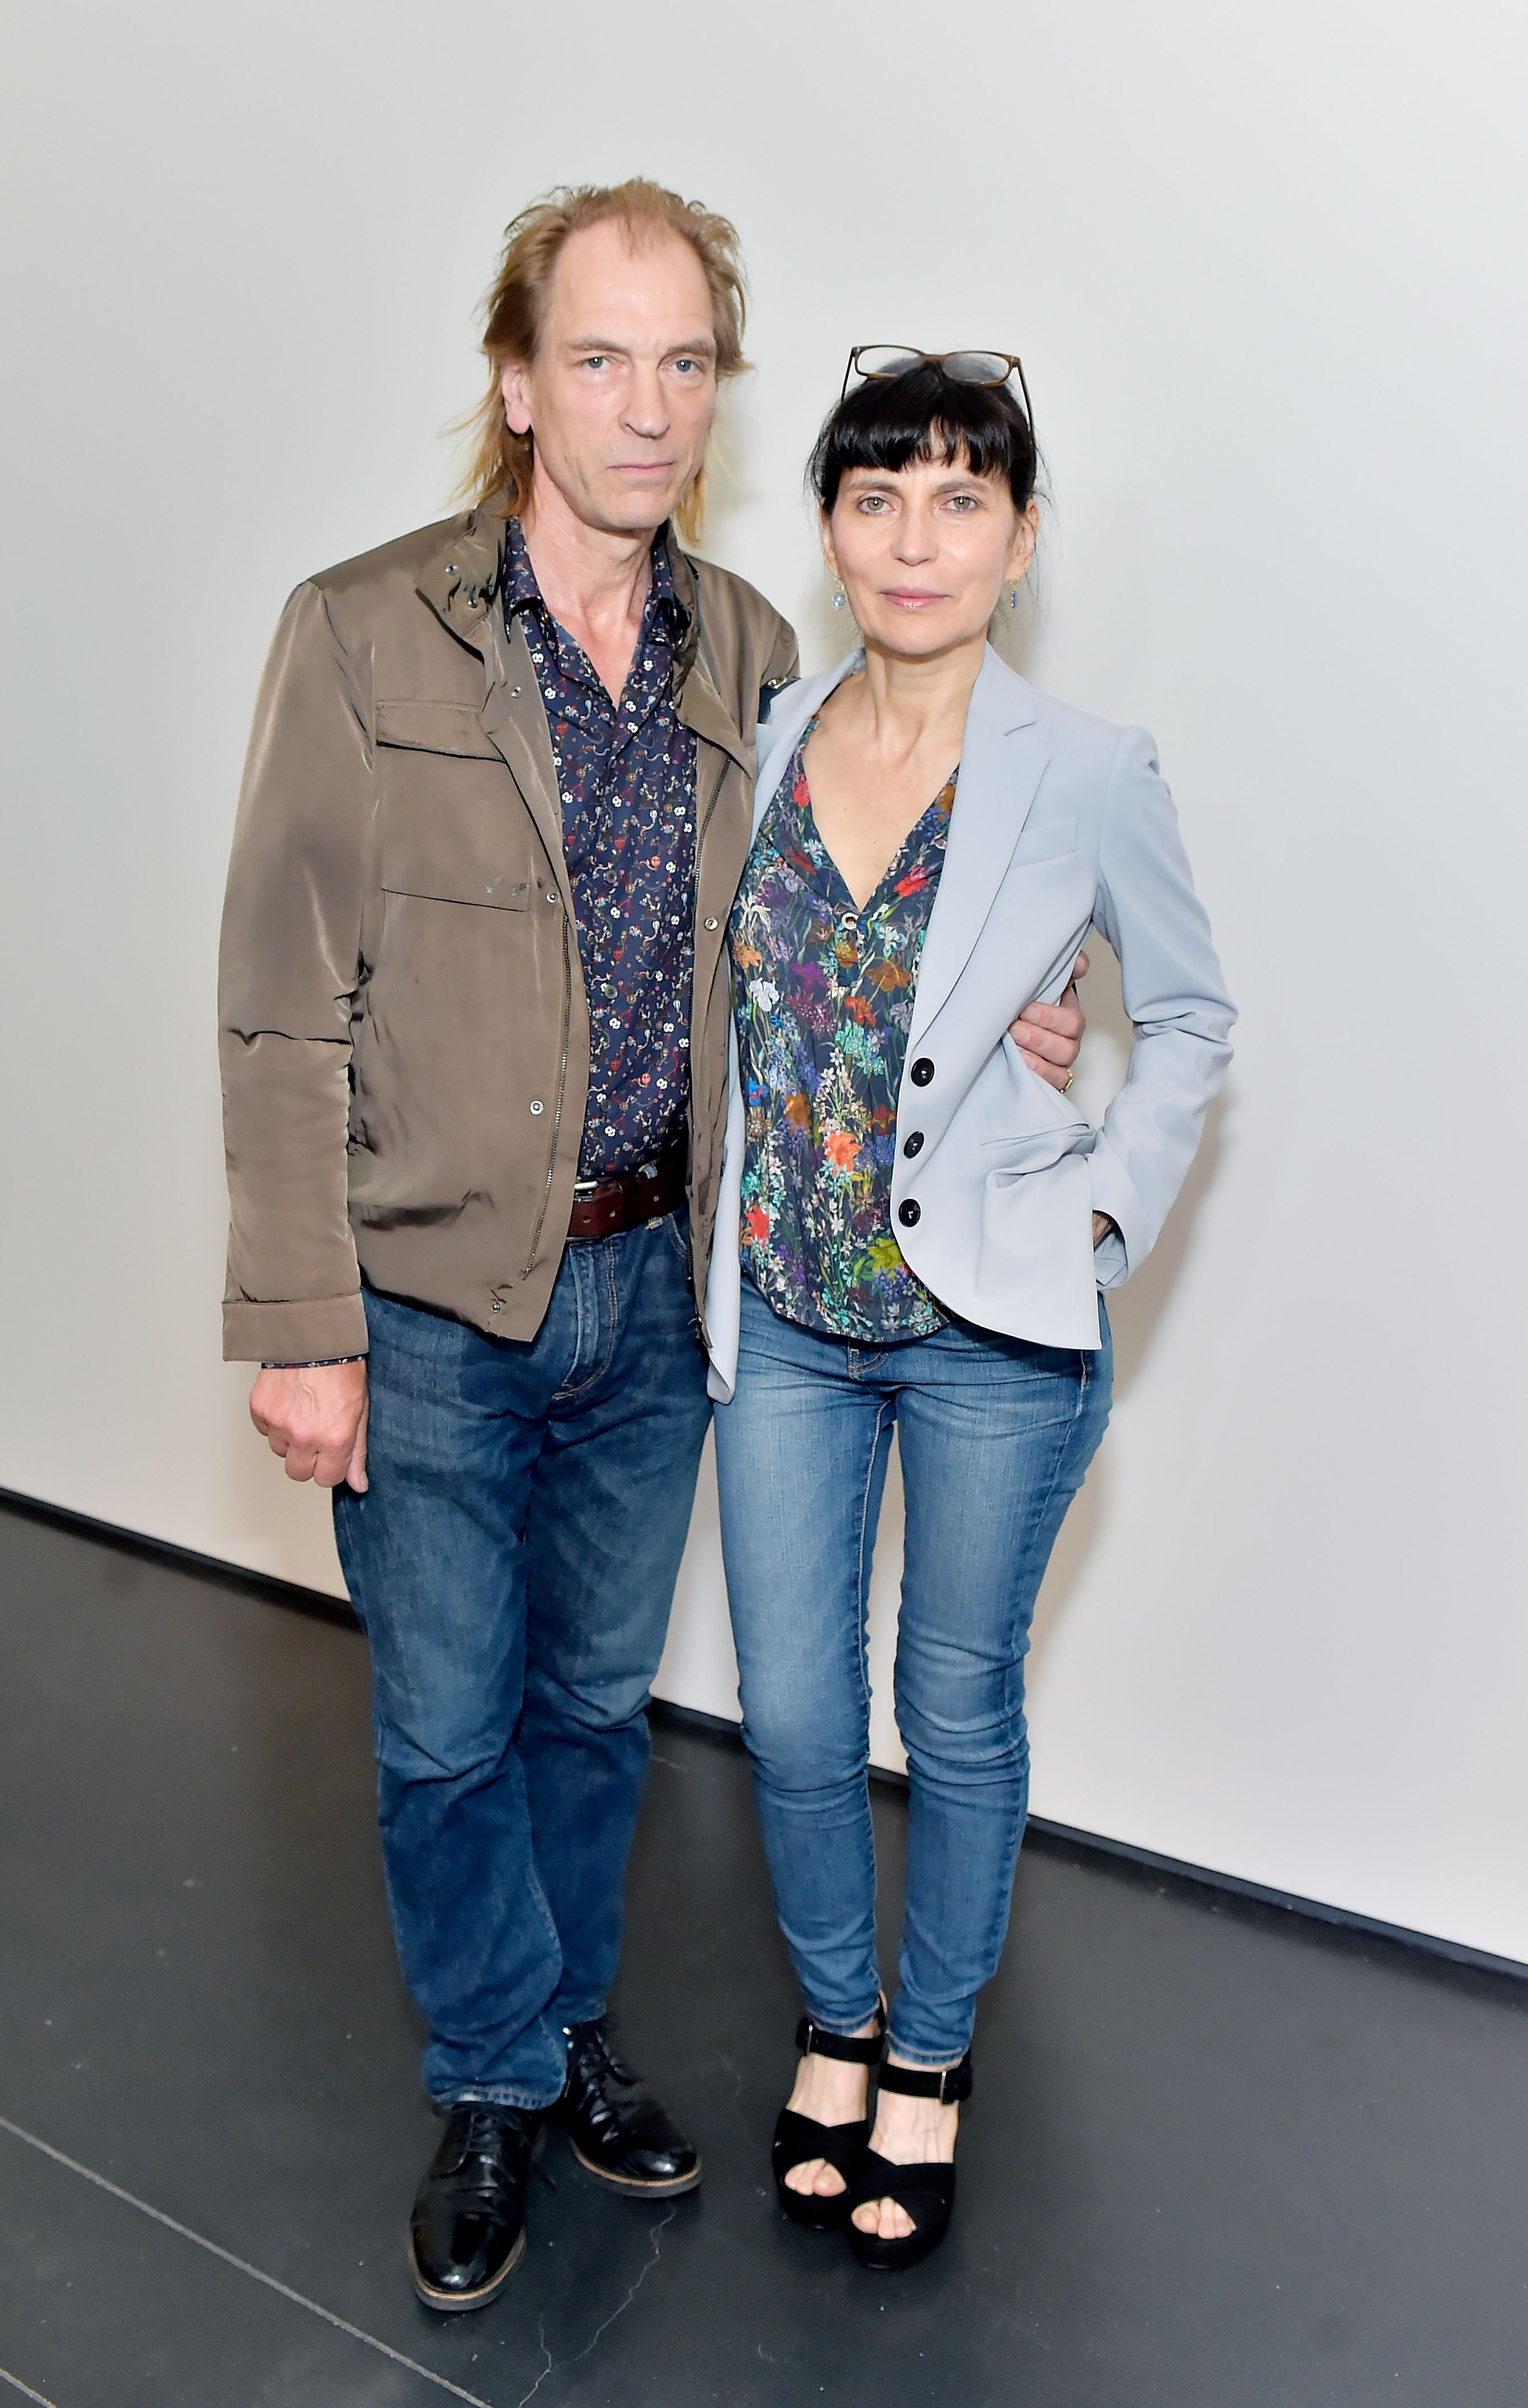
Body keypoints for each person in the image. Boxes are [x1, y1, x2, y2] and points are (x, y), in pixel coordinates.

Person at [218, 196, 1088, 2312]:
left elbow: (838, 936)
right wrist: (295, 1319)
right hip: (425, 1298)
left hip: (656, 1293)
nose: (646, 406)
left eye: (687, 363)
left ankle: (565, 2028)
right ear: (517, 380)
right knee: (443, 1732)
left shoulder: (752, 651)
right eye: (600, 359)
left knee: (595, 1718)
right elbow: (276, 993)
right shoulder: (359, 630)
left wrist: (1004, 1022)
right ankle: (497, 2084)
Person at [706, 349, 1235, 2271]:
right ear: (831, 525)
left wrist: (1101, 1201)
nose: (912, 540)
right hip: (780, 1305)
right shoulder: (762, 737)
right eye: (875, 497)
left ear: (1018, 541)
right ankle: (834, 2015)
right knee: (787, 1710)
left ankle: (928, 2054)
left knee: (954, 1702)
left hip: (990, 1327)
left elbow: (1184, 1016)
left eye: (959, 501)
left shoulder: (1087, 767)